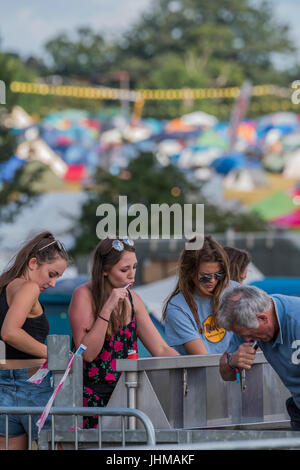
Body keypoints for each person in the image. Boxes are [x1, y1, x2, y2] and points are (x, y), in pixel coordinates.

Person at [68, 237, 178, 429]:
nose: (131, 275)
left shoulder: (133, 299)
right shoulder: (83, 294)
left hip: (128, 396)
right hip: (91, 400)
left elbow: (160, 349)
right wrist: (108, 307)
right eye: (124, 270)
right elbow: (87, 353)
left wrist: (193, 365)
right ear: (104, 270)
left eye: (134, 267)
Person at [0, 231, 68, 449]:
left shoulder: (3, 287)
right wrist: (55, 355)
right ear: (33, 263)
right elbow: (9, 332)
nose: (54, 283)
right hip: (34, 387)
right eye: (51, 274)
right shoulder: (28, 288)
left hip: (3, 386)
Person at [218, 284, 300, 431]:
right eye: (242, 335)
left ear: (263, 318)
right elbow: (225, 374)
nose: (246, 339)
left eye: (249, 334)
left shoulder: (296, 319)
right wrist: (232, 362)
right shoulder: (245, 325)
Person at [162, 234, 238, 356]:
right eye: (206, 276)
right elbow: (204, 361)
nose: (213, 280)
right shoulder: (178, 308)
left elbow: (255, 340)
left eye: (218, 275)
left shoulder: (237, 292)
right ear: (190, 272)